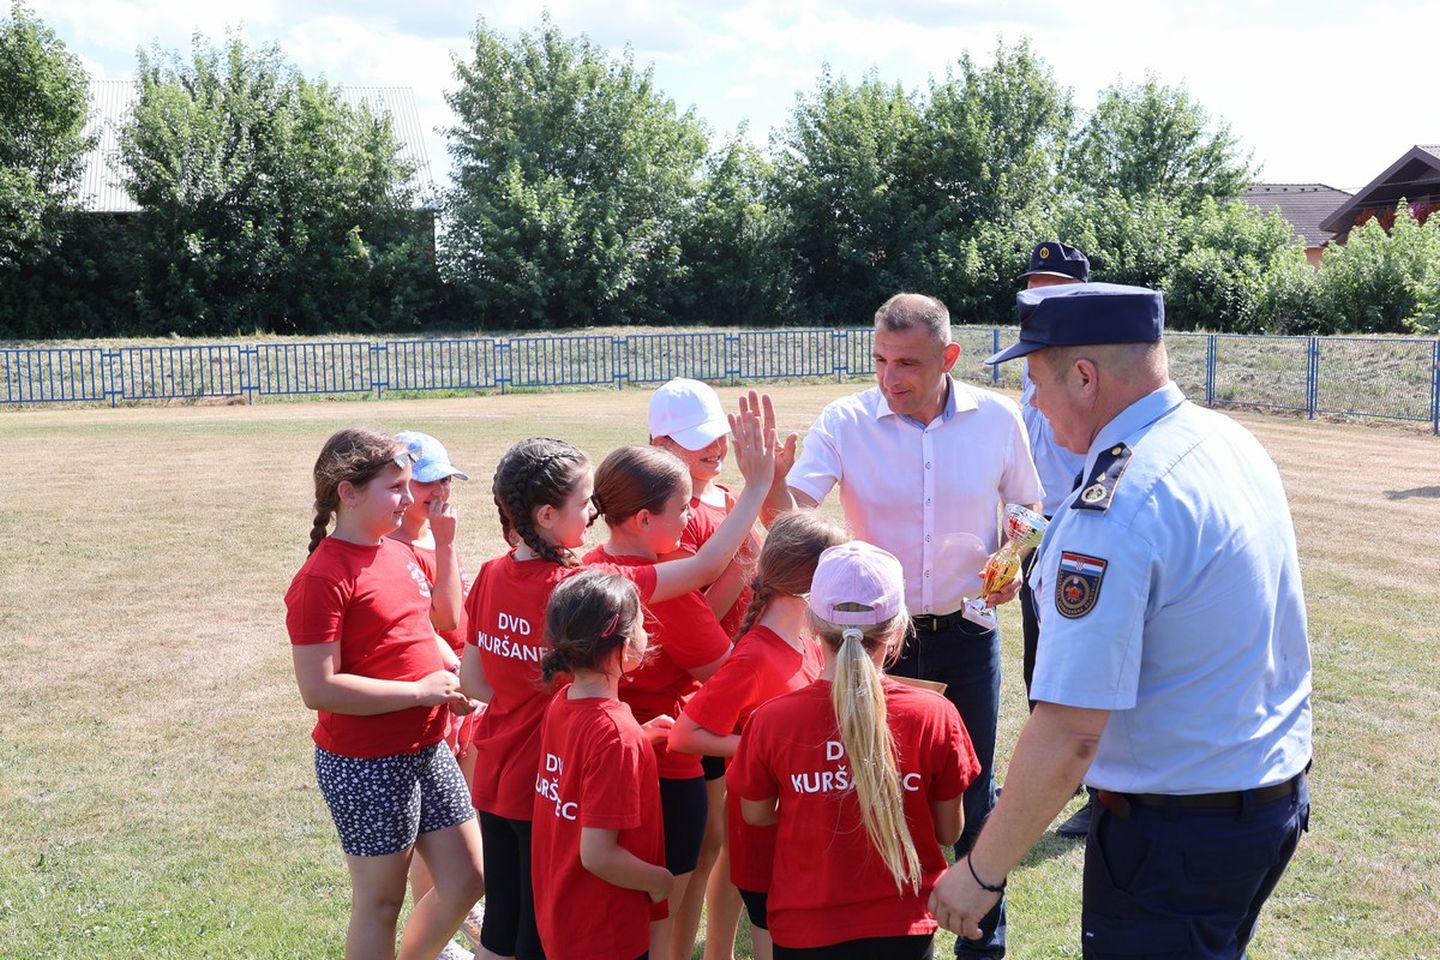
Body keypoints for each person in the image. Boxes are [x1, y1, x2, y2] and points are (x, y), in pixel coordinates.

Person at [929, 282, 1313, 959]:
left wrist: (981, 871)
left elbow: (1072, 730)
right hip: (1259, 801)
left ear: (1084, 377)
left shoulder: (1117, 506)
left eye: (1035, 382)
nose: (1033, 405)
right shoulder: (1224, 439)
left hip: (1177, 836)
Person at [770, 292, 1043, 957]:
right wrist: (769, 482)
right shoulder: (846, 420)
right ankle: (888, 934)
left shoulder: (998, 419)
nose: (891, 376)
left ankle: (981, 944)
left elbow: (1033, 508)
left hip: (967, 635)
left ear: (949, 358)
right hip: (870, 645)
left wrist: (1014, 556)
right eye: (882, 360)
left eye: (909, 363)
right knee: (873, 791)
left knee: (971, 798)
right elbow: (793, 518)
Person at [461, 417, 773, 960]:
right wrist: (759, 486)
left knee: (503, 926)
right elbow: (703, 568)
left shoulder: (492, 572)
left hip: (499, 776)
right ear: (546, 515)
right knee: (543, 932)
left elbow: (474, 682)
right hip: (554, 781)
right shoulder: (588, 589)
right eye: (586, 503)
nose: (595, 512)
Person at [286, 427, 485, 960]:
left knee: (470, 877)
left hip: (424, 743)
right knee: (380, 903)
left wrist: (451, 684)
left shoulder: (394, 553)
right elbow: (319, 687)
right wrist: (419, 691)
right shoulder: (322, 578)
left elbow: (424, 632)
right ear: (347, 493)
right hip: (365, 761)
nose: (406, 497)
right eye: (394, 487)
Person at [730, 541, 979, 960]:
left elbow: (755, 813)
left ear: (812, 622)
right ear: (899, 628)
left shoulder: (772, 721)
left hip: (803, 929)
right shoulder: (934, 715)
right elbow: (948, 832)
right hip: (904, 928)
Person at [667, 510, 850, 960]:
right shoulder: (757, 657)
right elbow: (686, 734)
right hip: (764, 815)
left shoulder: (806, 641)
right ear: (808, 583)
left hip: (787, 813)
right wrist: (768, 751)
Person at [584, 445, 739, 960]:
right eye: (683, 506)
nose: (692, 514)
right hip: (669, 768)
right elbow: (724, 670)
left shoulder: (590, 566)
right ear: (646, 518)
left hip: (604, 765)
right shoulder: (658, 585)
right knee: (663, 912)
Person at [648, 378, 766, 957]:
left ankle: (703, 945)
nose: (714, 449)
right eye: (697, 441)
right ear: (658, 443)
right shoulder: (668, 514)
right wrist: (744, 566)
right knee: (691, 846)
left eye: (718, 435)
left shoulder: (724, 499)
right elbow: (690, 616)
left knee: (718, 840)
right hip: (695, 694)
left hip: (737, 687)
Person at [530, 570, 674, 960]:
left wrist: (638, 741)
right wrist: (660, 881)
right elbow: (597, 855)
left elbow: (579, 776)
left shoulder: (564, 703)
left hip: (564, 916)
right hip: (603, 929)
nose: (647, 630)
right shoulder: (615, 735)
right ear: (624, 647)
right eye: (642, 622)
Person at [388, 430, 485, 959]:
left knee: (462, 808)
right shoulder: (398, 544)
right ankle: (436, 922)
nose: (442, 490)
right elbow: (436, 622)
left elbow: (458, 614)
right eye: (430, 481)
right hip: (437, 689)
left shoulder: (432, 534)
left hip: (462, 688)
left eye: (447, 479)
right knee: (435, 822)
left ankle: (451, 910)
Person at [1014, 243, 1092, 839]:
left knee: (1083, 663)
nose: (1038, 296)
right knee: (1040, 659)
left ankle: (1102, 786)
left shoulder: (1092, 362)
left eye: (1053, 286)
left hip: (1081, 528)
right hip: (1033, 528)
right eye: (1033, 286)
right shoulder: (1031, 361)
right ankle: (1056, 779)